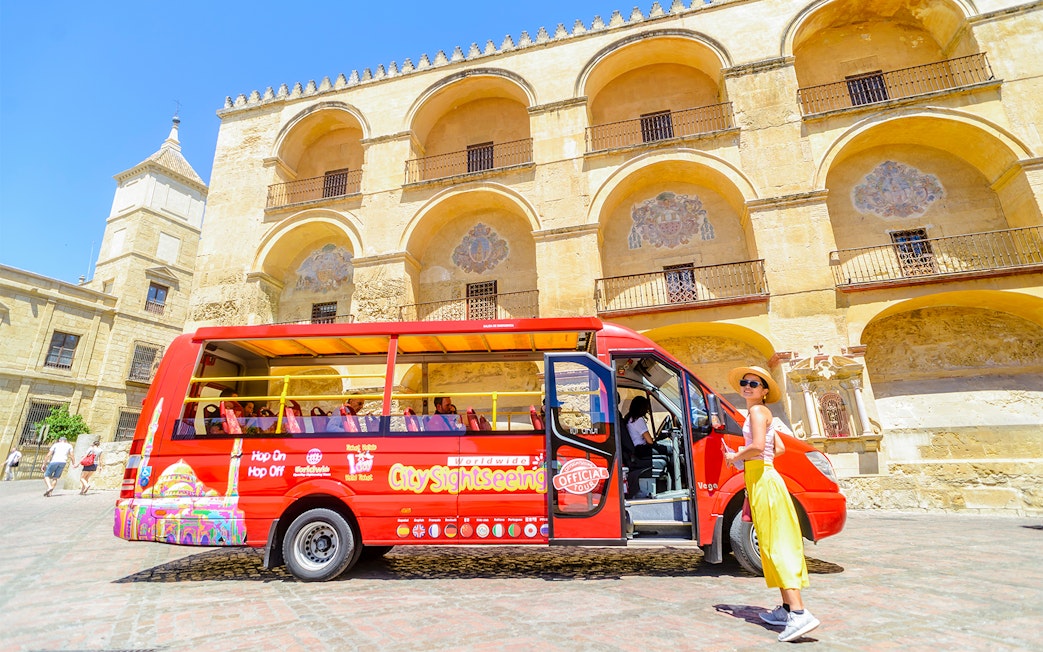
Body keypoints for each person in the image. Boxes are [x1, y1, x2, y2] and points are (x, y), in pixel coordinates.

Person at [724, 365, 819, 643]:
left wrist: (734, 457)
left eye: (755, 384)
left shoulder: (755, 411)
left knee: (776, 544)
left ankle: (799, 613)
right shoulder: (766, 414)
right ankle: (787, 608)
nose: (748, 386)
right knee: (770, 542)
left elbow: (755, 447)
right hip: (764, 476)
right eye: (745, 382)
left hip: (762, 477)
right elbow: (778, 449)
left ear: (765, 391)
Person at [623, 396, 670, 499]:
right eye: (646, 407)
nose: (647, 410)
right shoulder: (638, 420)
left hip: (637, 450)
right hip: (642, 450)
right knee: (669, 450)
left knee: (666, 449)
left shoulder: (629, 418)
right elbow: (649, 441)